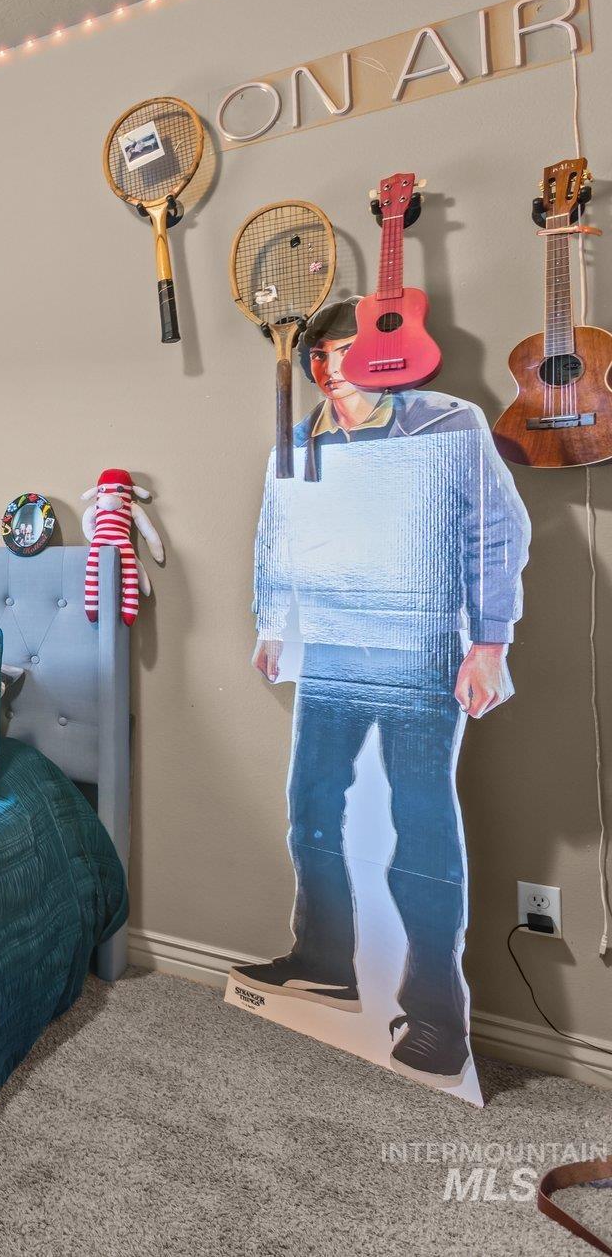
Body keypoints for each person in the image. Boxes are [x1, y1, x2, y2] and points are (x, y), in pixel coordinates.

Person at [236, 299, 528, 1088]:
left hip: (420, 649)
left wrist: (489, 640)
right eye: (318, 355)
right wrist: (273, 624)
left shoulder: (446, 424)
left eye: (342, 348)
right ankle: (323, 957)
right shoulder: (302, 441)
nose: (330, 365)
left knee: (419, 822)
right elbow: (279, 533)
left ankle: (436, 1011)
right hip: (329, 644)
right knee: (312, 808)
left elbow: (494, 531)